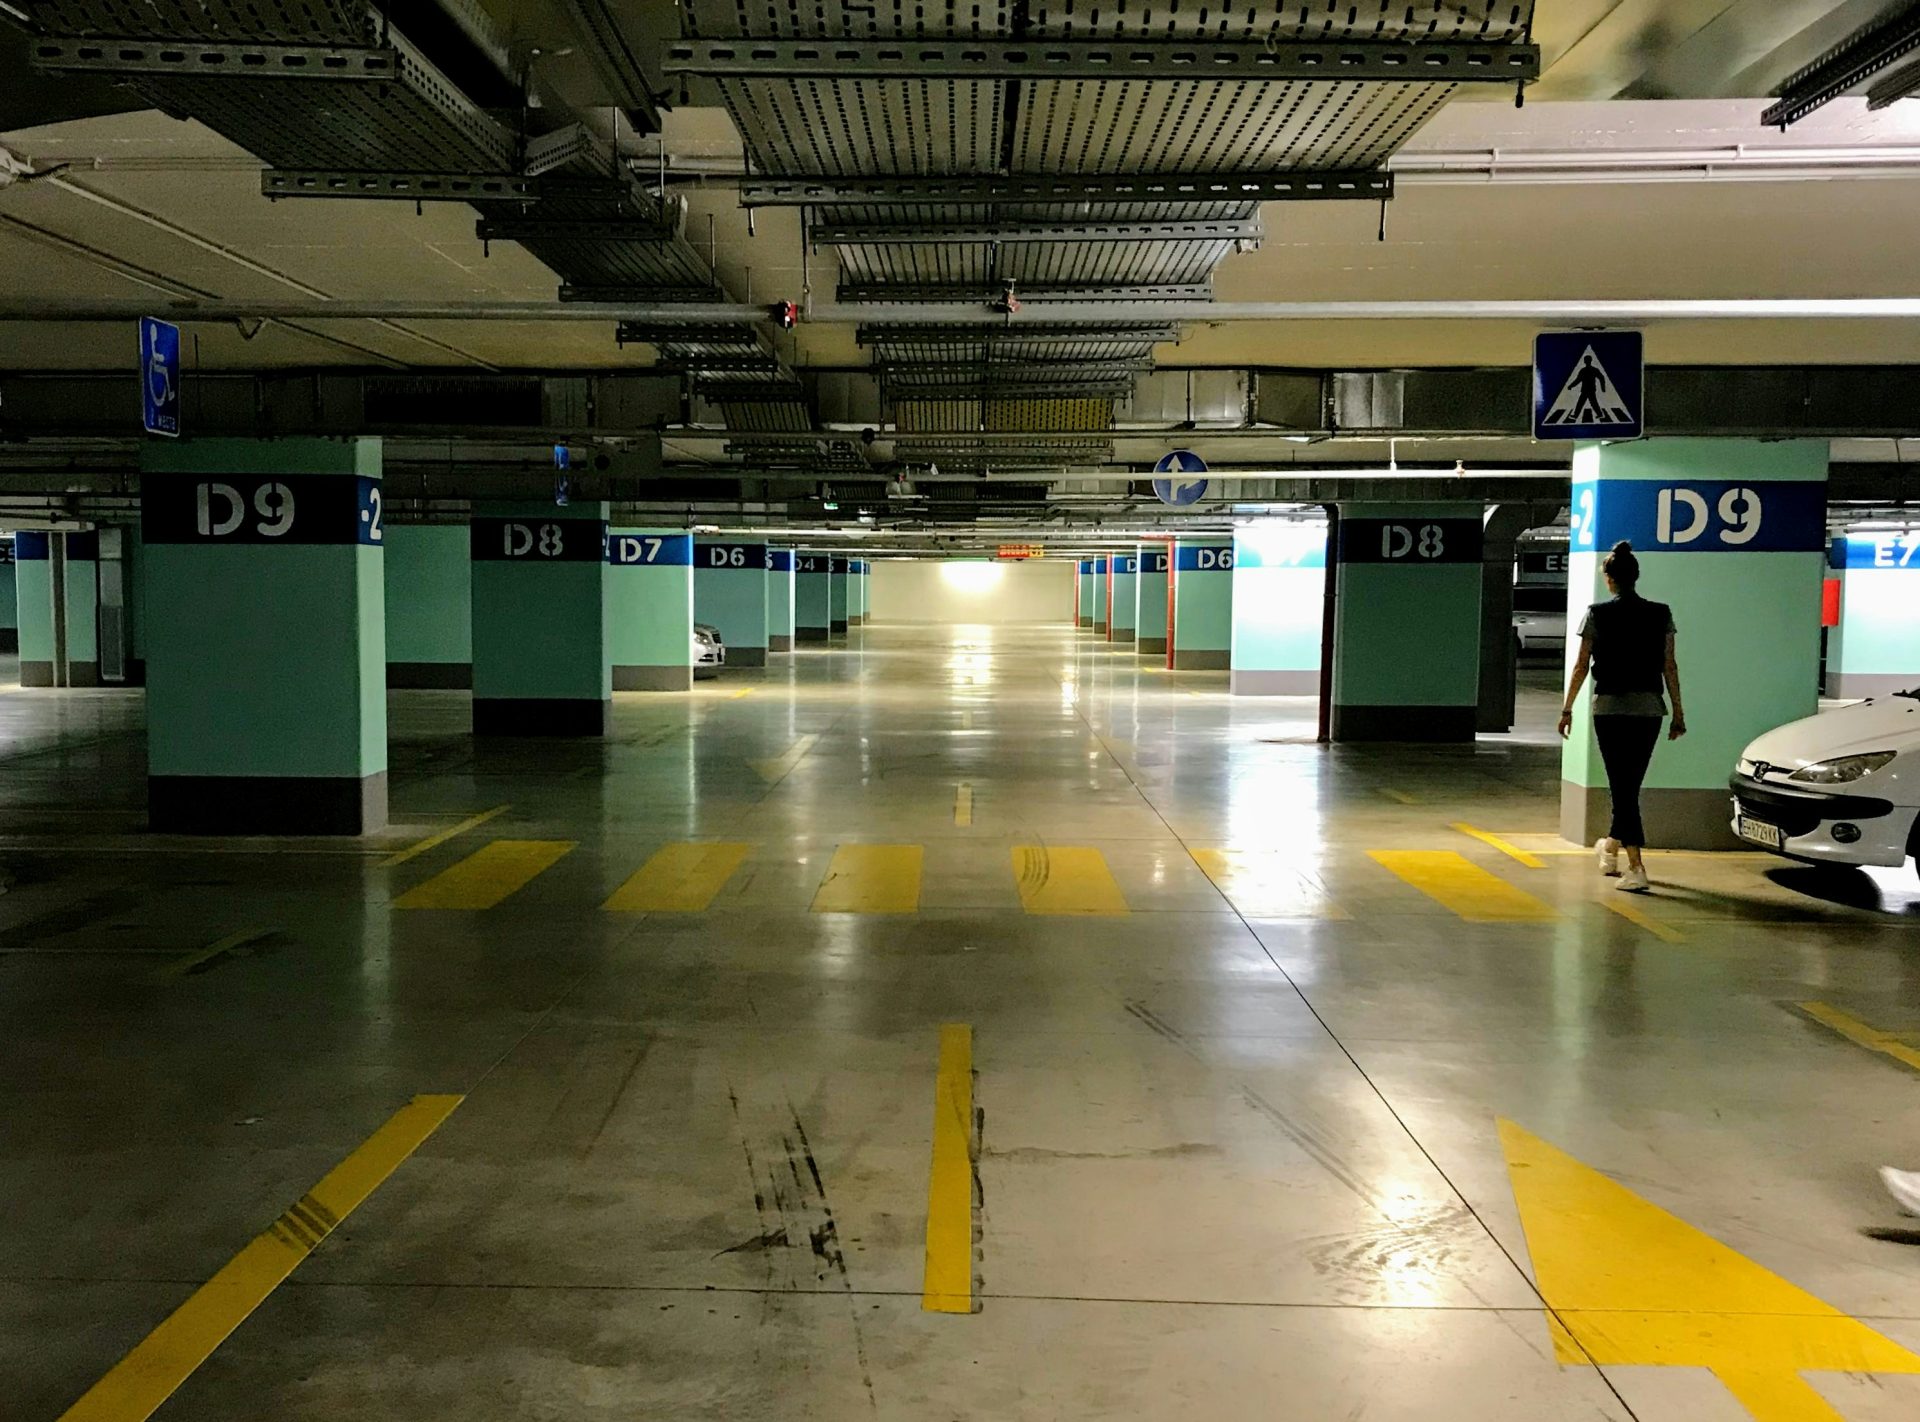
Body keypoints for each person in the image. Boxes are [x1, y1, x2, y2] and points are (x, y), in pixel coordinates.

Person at [1557, 541, 1687, 893]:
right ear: (1635, 577)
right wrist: (1678, 712)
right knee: (1629, 785)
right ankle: (1611, 844)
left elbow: (1582, 665)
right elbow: (1669, 665)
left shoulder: (1597, 613)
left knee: (1623, 787)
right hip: (1649, 710)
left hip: (1610, 710)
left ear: (1610, 579)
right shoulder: (1662, 613)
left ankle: (1637, 866)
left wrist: (1567, 708)